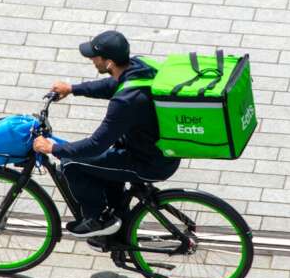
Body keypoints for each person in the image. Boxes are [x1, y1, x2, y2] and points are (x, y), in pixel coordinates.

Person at [32, 30, 180, 239]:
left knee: (71, 163)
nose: (92, 59)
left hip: (147, 163)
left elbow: (96, 145)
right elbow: (111, 85)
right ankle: (118, 221)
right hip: (158, 152)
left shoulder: (126, 102)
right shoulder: (138, 66)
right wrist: (72, 88)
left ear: (109, 62)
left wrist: (53, 148)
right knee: (101, 163)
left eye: (95, 57)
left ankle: (96, 220)